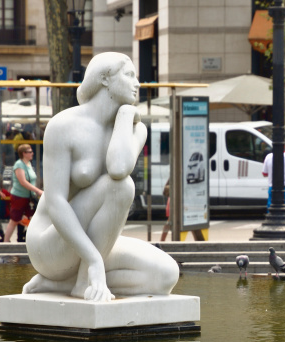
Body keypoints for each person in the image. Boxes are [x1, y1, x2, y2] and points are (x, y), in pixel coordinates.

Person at [22, 52, 179, 302]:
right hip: (52, 244)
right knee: (120, 188)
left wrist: (126, 116)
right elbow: (55, 202)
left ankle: (70, 283)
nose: (137, 83)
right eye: (129, 75)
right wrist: (94, 259)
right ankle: (83, 278)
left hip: (91, 245)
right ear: (105, 79)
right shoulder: (63, 125)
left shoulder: (135, 130)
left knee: (166, 275)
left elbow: (117, 167)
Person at [3, 144, 43, 242]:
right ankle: (6, 241)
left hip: (29, 196)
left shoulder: (29, 164)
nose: (32, 153)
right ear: (24, 153)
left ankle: (29, 239)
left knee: (31, 217)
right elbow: (23, 182)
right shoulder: (19, 165)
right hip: (19, 196)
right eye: (30, 152)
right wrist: (37, 190)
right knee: (15, 219)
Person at [262, 149, 285, 227]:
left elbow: (264, 173)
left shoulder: (268, 157)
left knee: (271, 210)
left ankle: (271, 227)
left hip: (272, 188)